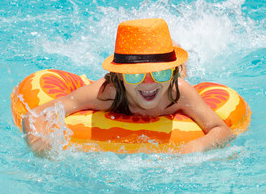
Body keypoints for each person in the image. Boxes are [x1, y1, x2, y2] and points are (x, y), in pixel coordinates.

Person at [23, 18, 234, 156]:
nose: (149, 83)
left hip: (176, 77)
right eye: (136, 75)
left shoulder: (177, 92)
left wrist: (195, 146)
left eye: (159, 72)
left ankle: (176, 51)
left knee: (184, 71)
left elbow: (222, 130)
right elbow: (35, 115)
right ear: (120, 77)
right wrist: (39, 141)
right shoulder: (107, 92)